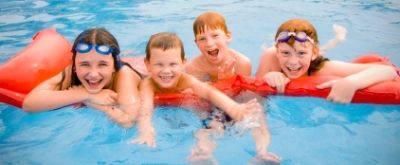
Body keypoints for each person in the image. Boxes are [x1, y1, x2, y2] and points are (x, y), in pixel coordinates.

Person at [131, 32, 279, 163]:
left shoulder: (186, 79)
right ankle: (202, 155)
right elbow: (145, 108)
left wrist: (235, 109)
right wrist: (145, 130)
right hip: (190, 112)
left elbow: (209, 93)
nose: (166, 71)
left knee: (254, 117)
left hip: (207, 107)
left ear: (183, 63)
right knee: (209, 129)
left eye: (173, 64)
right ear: (147, 65)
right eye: (159, 65)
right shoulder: (147, 84)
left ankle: (262, 153)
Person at [256, 18, 398, 103]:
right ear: (277, 51)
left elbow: (389, 72)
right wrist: (268, 76)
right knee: (299, 55)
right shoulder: (270, 56)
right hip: (307, 56)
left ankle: (338, 39)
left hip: (366, 63)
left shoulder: (325, 68)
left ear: (314, 54)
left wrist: (352, 82)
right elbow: (256, 99)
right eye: (285, 53)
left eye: (301, 53)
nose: (293, 62)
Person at [22, 28, 142, 128]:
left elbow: (129, 121)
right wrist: (85, 95)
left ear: (114, 66)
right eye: (85, 64)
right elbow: (29, 104)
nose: (93, 74)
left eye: (102, 64)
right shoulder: (71, 72)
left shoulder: (124, 74)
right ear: (74, 65)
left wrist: (102, 107)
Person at [185, 11, 251, 82]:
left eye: (215, 36)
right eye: (202, 39)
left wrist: (227, 80)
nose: (209, 43)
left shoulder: (241, 64)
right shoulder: (193, 68)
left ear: (228, 37)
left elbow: (244, 92)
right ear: (197, 43)